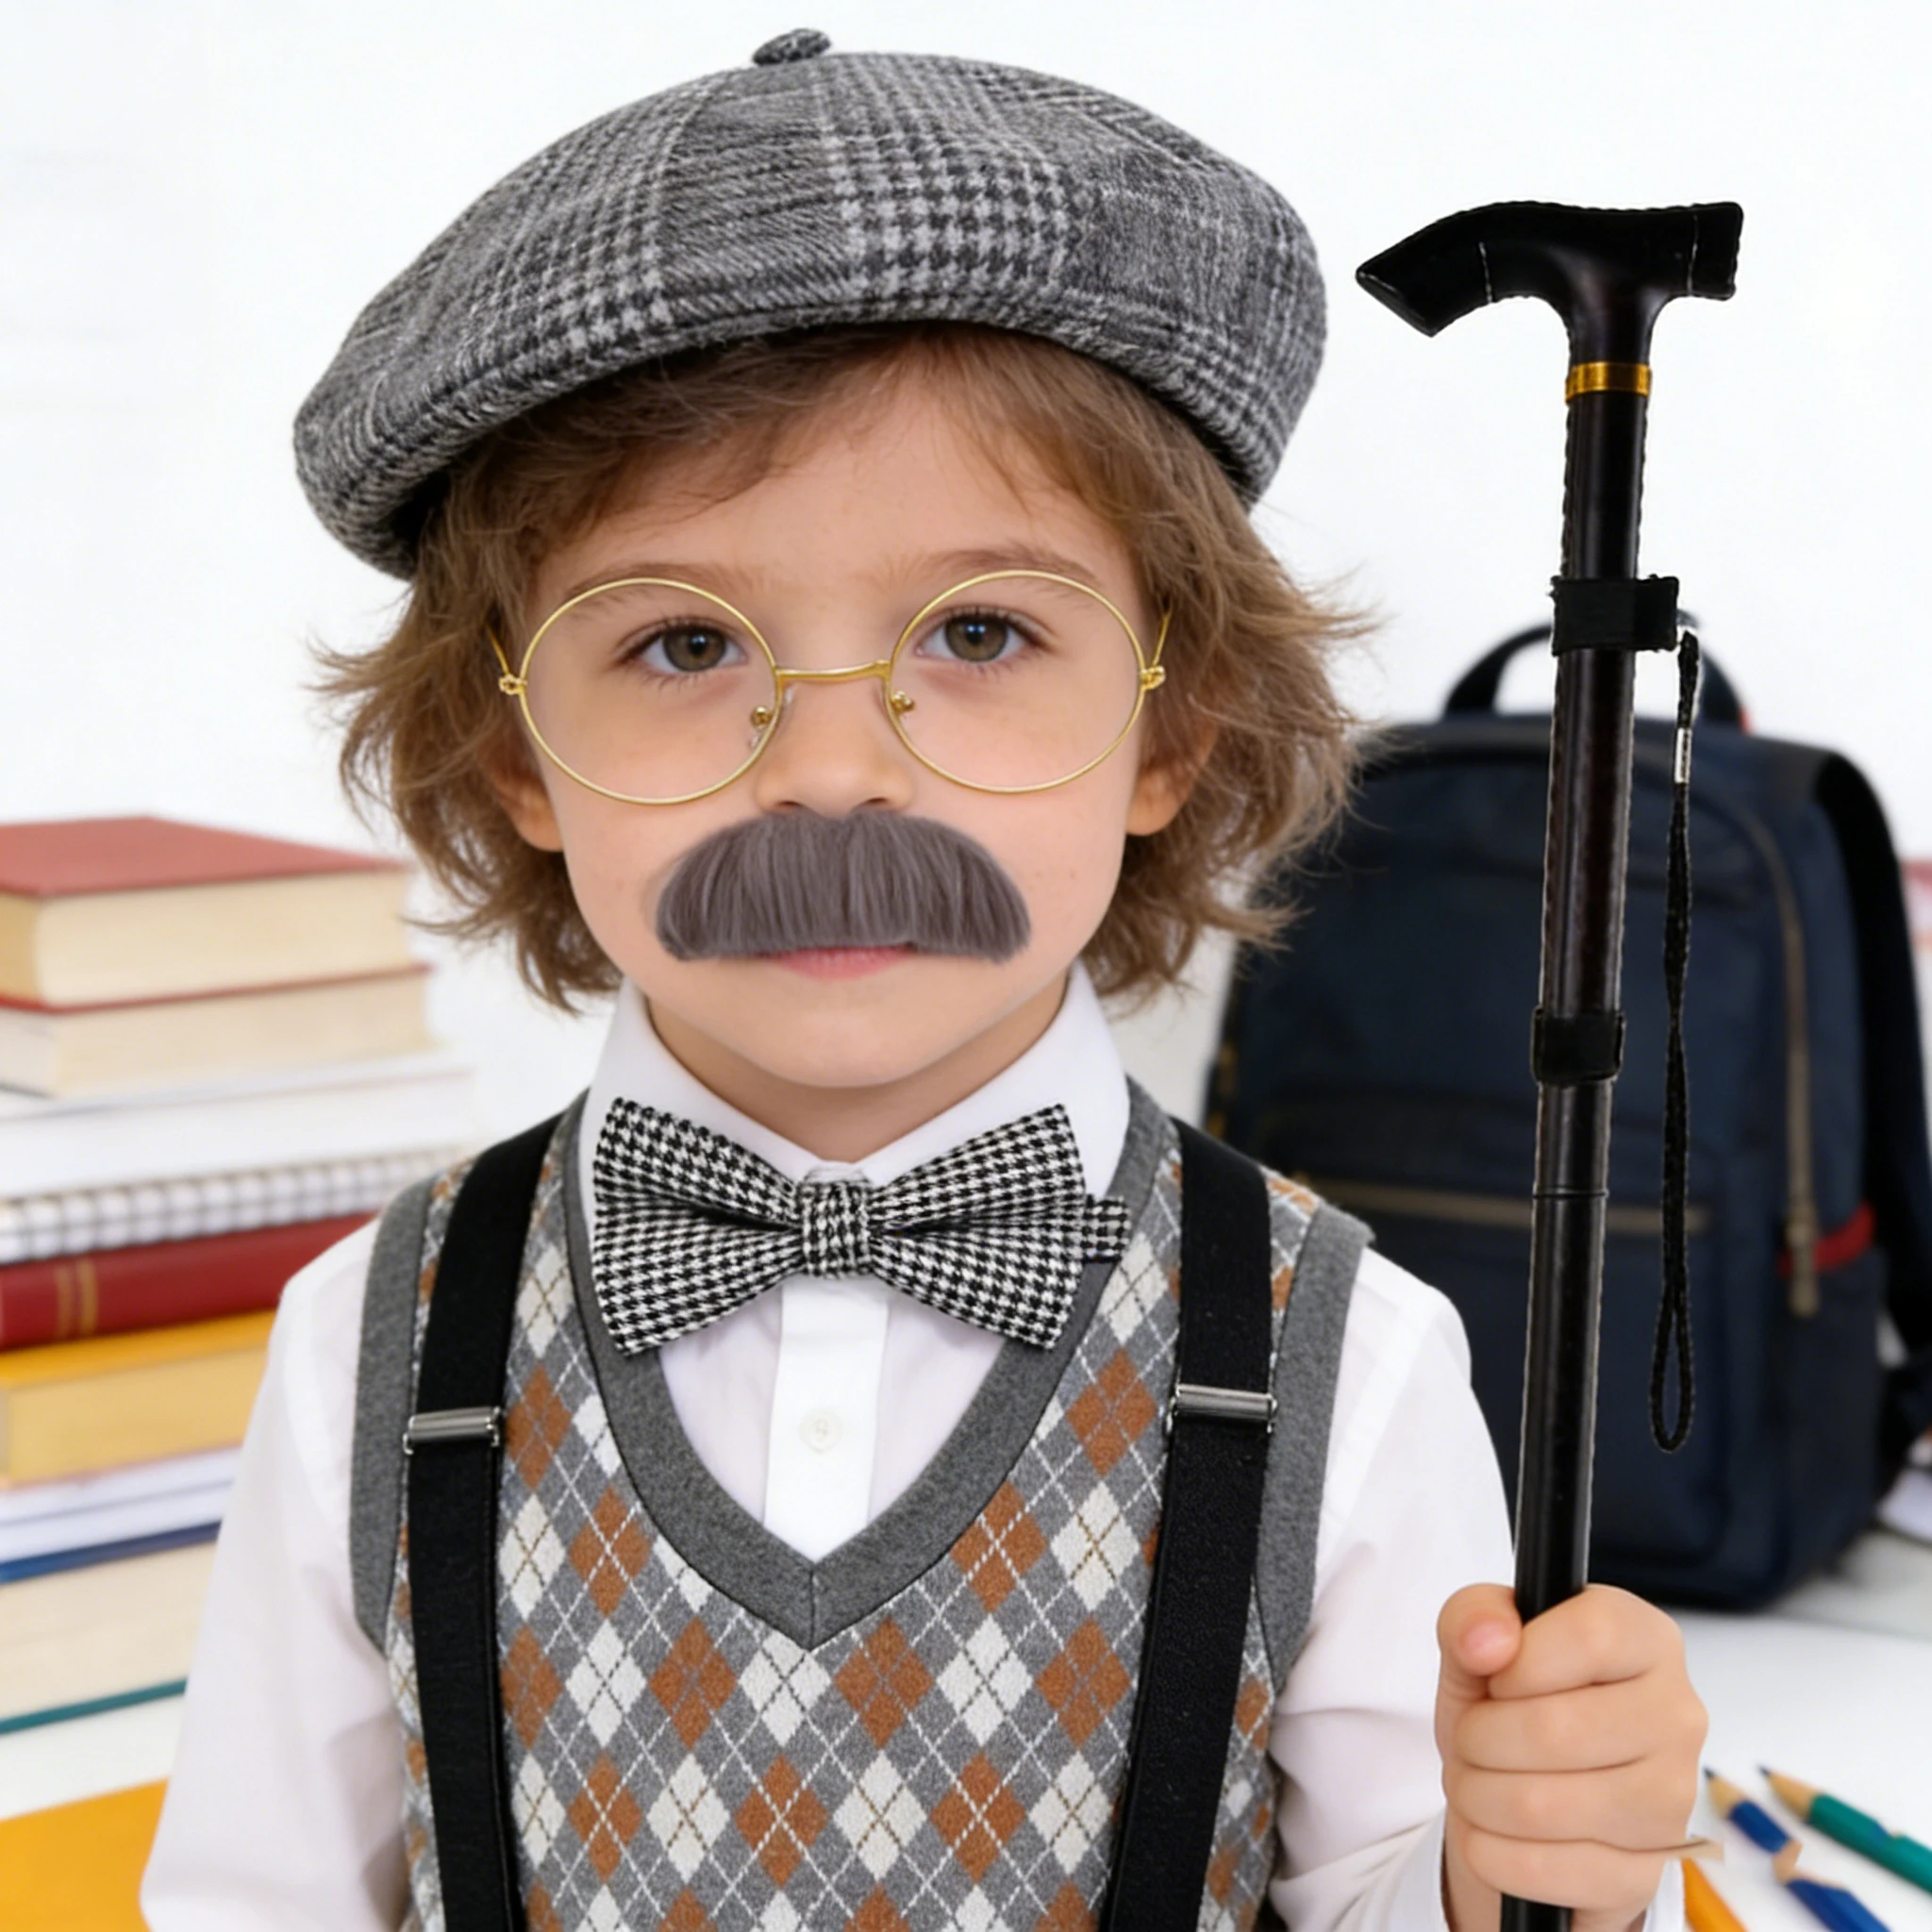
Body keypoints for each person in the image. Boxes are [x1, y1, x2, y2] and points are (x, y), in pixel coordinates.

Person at [143, 31, 1706, 1932]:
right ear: (508, 759)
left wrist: (1503, 1868)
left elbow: (1380, 1894)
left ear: (1171, 733)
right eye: (681, 640)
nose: (828, 766)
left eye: (978, 630)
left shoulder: (1344, 1359)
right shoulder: (363, 1348)